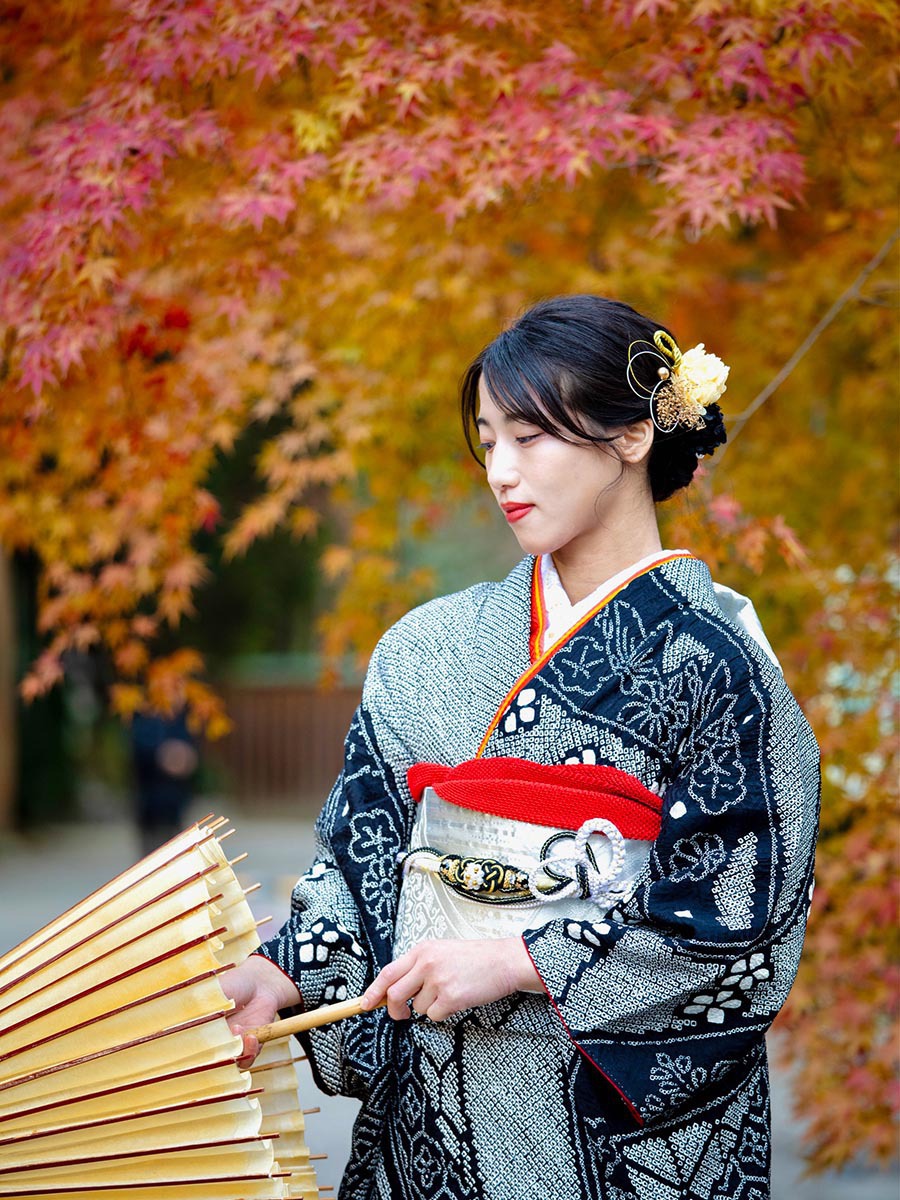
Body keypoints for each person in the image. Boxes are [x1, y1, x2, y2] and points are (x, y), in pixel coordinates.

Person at [222, 296, 819, 1200]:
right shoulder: (428, 649)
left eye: (531, 437)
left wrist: (520, 959)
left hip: (626, 1138)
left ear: (628, 438)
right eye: (489, 440)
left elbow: (743, 915)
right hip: (437, 1112)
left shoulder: (717, 661)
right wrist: (279, 971)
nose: (501, 471)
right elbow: (360, 861)